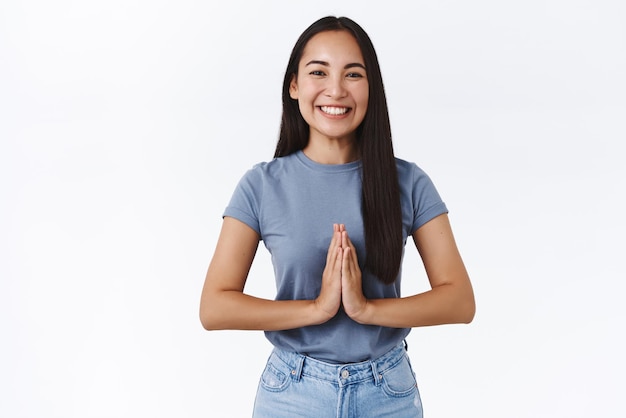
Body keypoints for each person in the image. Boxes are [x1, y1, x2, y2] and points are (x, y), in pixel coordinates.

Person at [200, 15, 475, 418]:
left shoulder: (408, 182)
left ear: (372, 88)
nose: (336, 89)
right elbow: (214, 307)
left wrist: (366, 310)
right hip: (292, 392)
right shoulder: (261, 185)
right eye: (318, 72)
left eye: (353, 74)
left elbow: (459, 301)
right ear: (294, 85)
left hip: (388, 391)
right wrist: (317, 309)